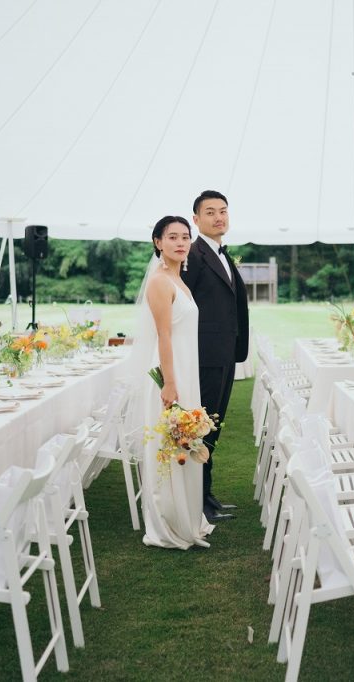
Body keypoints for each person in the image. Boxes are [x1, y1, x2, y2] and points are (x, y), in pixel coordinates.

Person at [133, 216, 214, 549]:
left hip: (185, 369)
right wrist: (168, 382)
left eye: (185, 237)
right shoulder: (159, 282)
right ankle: (168, 522)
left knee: (185, 440)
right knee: (168, 446)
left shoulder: (179, 280)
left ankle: (188, 517)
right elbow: (163, 335)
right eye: (173, 237)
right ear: (158, 242)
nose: (181, 243)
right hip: (169, 372)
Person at [181, 190, 250, 523]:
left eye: (223, 211)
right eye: (210, 212)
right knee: (202, 428)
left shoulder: (221, 252)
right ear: (196, 219)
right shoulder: (193, 255)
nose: (218, 217)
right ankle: (197, 501)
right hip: (204, 356)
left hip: (223, 354)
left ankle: (206, 494)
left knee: (213, 428)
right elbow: (181, 305)